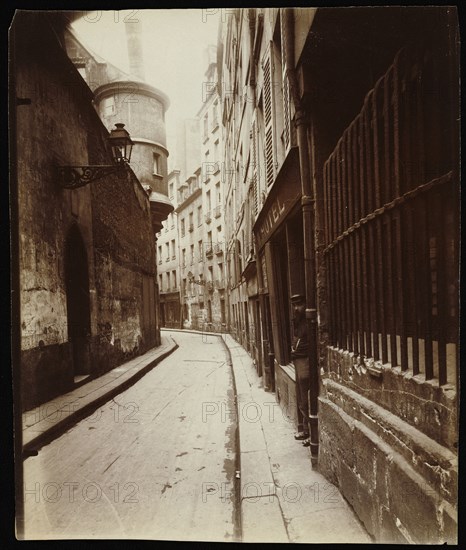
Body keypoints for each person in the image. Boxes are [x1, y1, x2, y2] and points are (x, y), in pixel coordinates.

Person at [290, 294, 311, 446]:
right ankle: (305, 430)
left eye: (299, 305)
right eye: (294, 305)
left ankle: (310, 433)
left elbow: (305, 344)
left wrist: (295, 352)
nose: (296, 308)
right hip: (298, 361)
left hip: (304, 361)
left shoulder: (308, 321)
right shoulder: (297, 321)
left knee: (306, 399)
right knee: (301, 399)